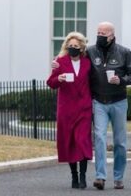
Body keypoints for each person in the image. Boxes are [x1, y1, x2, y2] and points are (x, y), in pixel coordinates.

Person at [85, 21, 131, 190]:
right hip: (99, 101)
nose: (100, 36)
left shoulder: (124, 52)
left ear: (112, 36)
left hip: (119, 102)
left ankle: (118, 177)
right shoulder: (90, 52)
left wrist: (121, 80)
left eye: (104, 34)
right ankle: (100, 177)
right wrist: (58, 64)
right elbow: (78, 69)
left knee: (120, 142)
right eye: (98, 32)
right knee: (99, 138)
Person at [46, 32, 93, 189]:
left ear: (81, 48)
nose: (73, 48)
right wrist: (58, 78)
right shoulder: (60, 62)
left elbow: (94, 81)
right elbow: (50, 82)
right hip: (66, 109)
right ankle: (74, 175)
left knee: (82, 141)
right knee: (70, 142)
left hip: (84, 108)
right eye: (70, 46)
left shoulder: (87, 63)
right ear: (66, 46)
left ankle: (83, 177)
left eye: (76, 46)